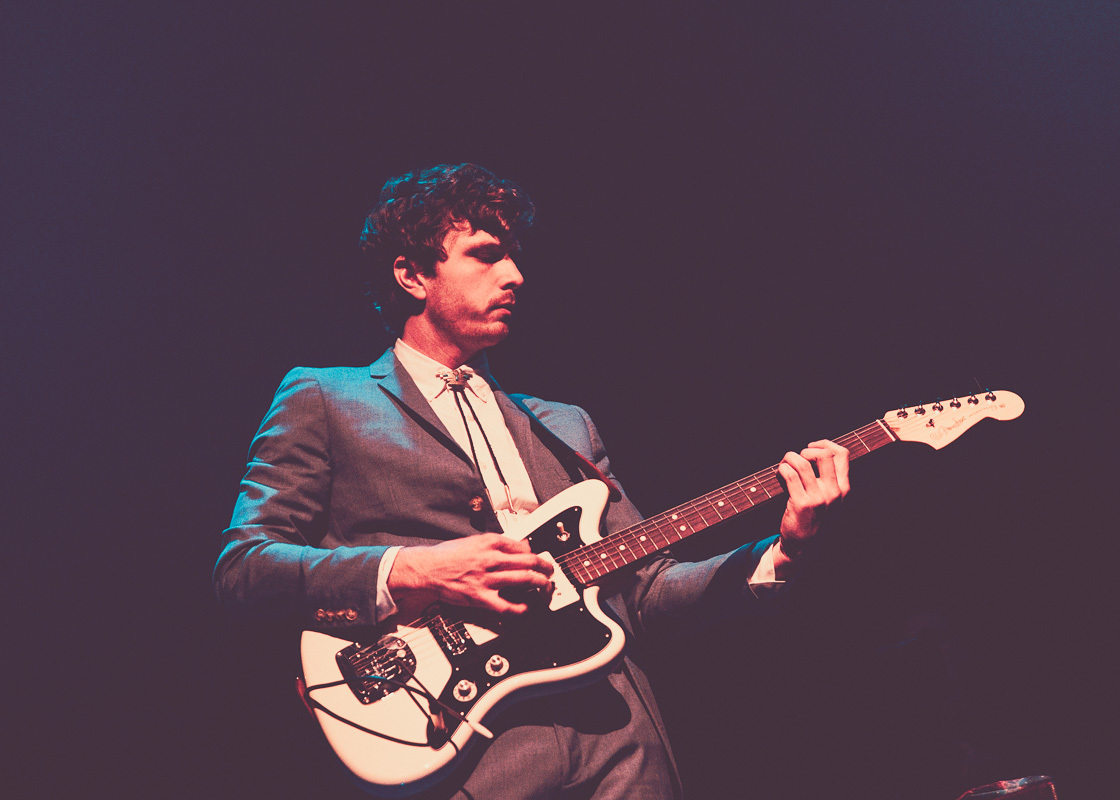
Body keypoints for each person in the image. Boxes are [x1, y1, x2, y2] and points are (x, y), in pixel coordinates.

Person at [214, 163, 850, 799]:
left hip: (617, 736)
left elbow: (646, 591)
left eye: (515, 257)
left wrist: (784, 549)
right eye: (486, 256)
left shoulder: (564, 425)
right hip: (460, 743)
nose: (515, 276)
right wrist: (414, 570)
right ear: (411, 276)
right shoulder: (327, 397)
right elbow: (244, 567)